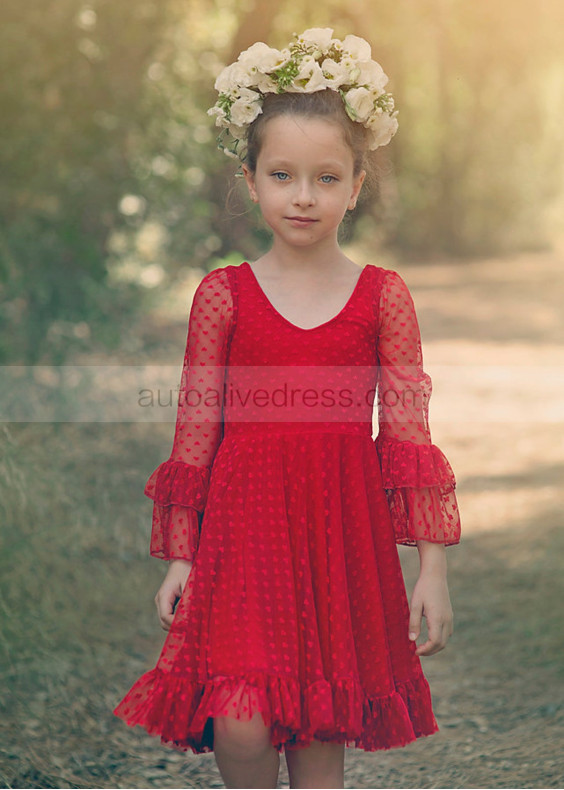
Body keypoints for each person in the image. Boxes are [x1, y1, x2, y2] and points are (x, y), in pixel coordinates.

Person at [114, 27, 461, 789]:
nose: (304, 196)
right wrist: (182, 555)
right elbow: (196, 434)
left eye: (326, 178)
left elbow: (408, 432)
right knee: (241, 722)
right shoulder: (223, 297)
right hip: (244, 534)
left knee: (317, 733)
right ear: (251, 179)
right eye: (282, 174)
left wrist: (430, 569)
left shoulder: (382, 298)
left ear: (356, 185)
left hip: (340, 531)